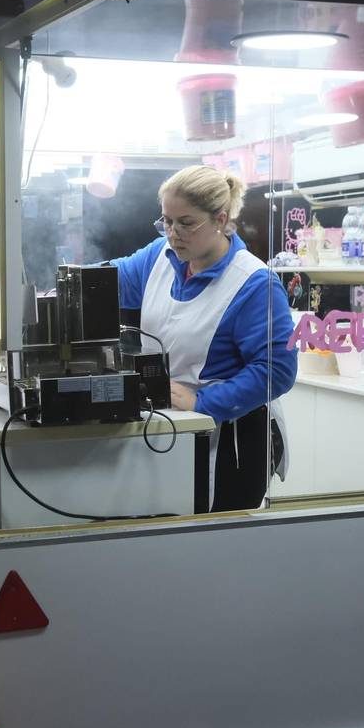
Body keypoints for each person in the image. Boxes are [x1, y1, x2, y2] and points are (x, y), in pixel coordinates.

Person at [110, 166, 297, 511]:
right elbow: (104, 282)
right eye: (165, 221)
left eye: (186, 222)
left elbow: (277, 370)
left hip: (232, 440)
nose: (173, 234)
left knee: (215, 548)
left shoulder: (254, 284)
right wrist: (57, 291)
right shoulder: (160, 256)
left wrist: (203, 403)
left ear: (220, 219)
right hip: (172, 427)